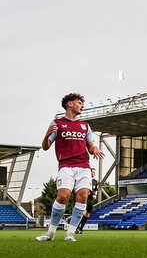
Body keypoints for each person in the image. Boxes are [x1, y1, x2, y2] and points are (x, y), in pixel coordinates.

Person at [36, 93, 105, 242]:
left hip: (84, 166)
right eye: (79, 102)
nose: (82, 106)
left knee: (82, 197)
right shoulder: (57, 123)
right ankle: (50, 233)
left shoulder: (85, 126)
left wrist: (95, 149)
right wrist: (46, 135)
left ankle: (70, 233)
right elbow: (46, 146)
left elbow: (90, 146)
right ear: (70, 104)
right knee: (63, 196)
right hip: (66, 166)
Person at [75, 167, 99, 234]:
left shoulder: (95, 181)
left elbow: (96, 189)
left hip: (91, 199)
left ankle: (81, 228)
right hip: (85, 198)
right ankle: (76, 227)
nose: (93, 174)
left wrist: (95, 195)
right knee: (83, 213)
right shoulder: (85, 179)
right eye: (92, 172)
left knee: (87, 214)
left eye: (94, 172)